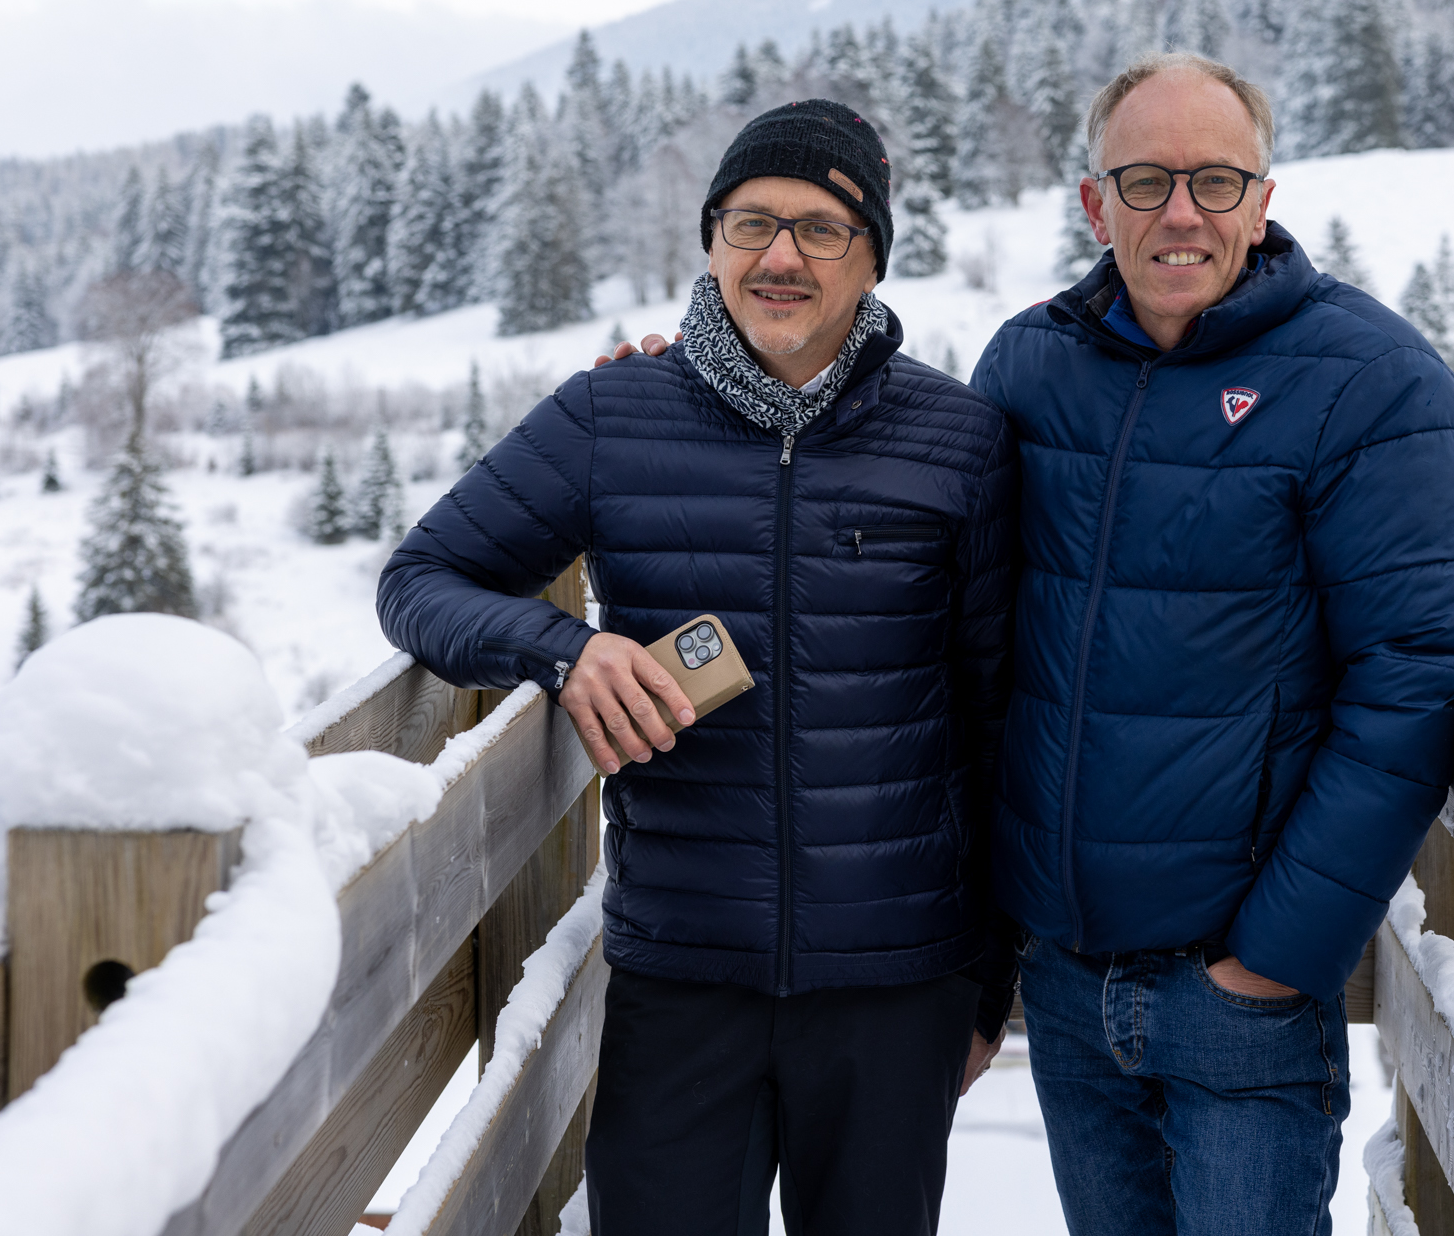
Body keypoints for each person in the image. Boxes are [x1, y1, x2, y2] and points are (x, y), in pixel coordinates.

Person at [377, 99, 1016, 1236]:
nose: (779, 255)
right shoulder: (611, 416)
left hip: (896, 984)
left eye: (820, 228)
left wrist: (986, 978)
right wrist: (563, 647)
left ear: (871, 255)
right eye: (749, 222)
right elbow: (420, 581)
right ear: (710, 239)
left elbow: (994, 714)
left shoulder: (956, 441)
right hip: (683, 971)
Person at [971, 53, 1454, 1236]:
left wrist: (1273, 959)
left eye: (1215, 179)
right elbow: (943, 594)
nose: (1181, 213)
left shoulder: (1370, 382)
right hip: (1063, 970)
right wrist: (686, 400)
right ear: (1093, 204)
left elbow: (1413, 677)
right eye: (1143, 181)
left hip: (1236, 992)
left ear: (1263, 198)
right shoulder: (1028, 367)